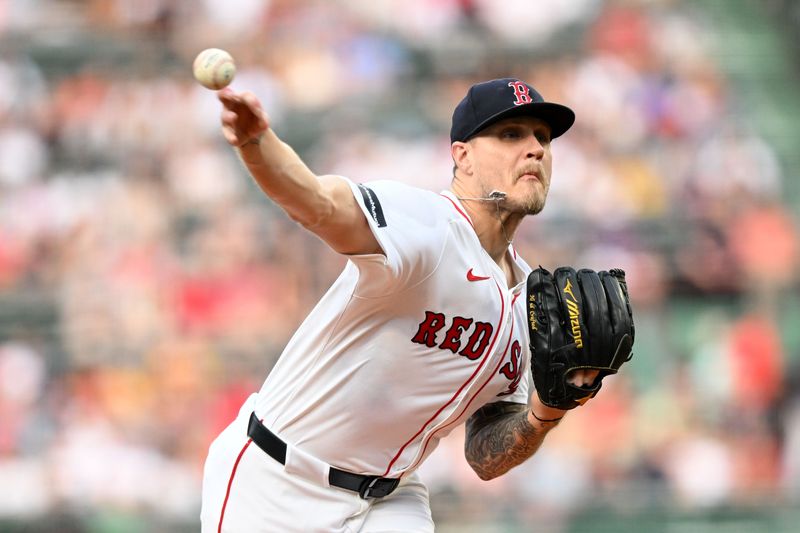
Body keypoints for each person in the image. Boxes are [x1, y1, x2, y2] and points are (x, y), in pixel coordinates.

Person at [201, 78, 600, 532]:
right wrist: (257, 144)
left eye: (543, 139)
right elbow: (317, 203)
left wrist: (547, 412)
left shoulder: (529, 301)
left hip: (390, 500)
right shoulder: (427, 226)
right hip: (278, 482)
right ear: (462, 156)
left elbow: (484, 457)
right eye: (511, 134)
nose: (535, 149)